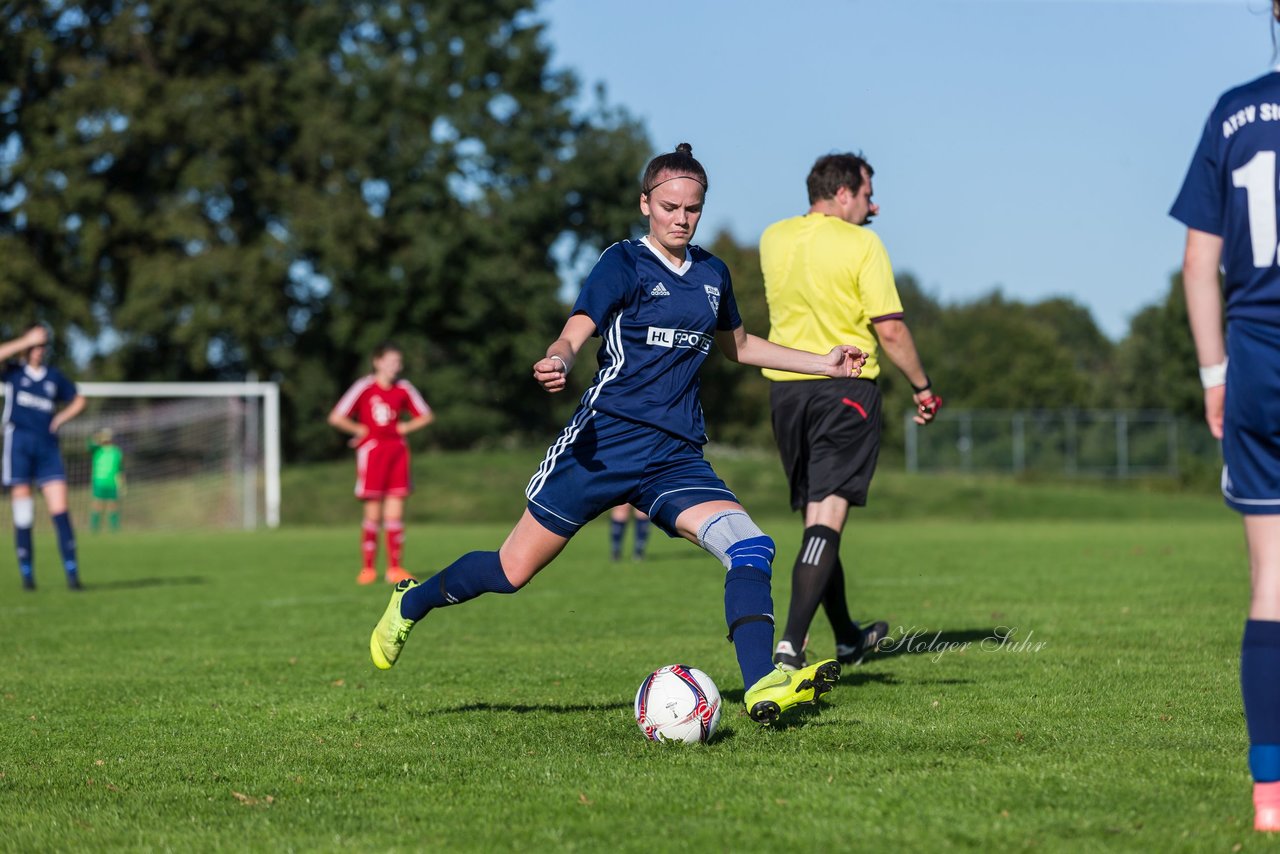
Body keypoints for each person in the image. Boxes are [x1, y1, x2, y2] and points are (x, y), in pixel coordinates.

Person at [368, 143, 868, 725]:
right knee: (510, 572)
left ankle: (761, 686)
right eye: (670, 206)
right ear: (645, 204)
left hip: (674, 457)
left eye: (693, 208)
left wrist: (824, 363)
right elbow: (579, 325)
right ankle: (414, 599)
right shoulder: (623, 263)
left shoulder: (712, 274)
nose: (681, 218)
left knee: (751, 547)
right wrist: (559, 355)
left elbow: (740, 346)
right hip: (602, 446)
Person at [759, 152, 942, 672]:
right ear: (843, 194)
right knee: (826, 521)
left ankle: (847, 638)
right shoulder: (862, 242)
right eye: (867, 194)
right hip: (846, 388)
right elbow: (889, 329)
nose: (873, 205)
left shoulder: (773, 238)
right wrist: (923, 387)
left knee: (816, 520)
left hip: (787, 393)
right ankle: (790, 647)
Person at [1171, 8, 1280, 831]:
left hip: (1256, 363)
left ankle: (1270, 796)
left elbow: (1198, 262)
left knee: (1270, 580)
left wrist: (1215, 373)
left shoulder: (1235, 111)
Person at [329, 343, 434, 585]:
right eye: (390, 361)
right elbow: (336, 417)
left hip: (397, 453)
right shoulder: (364, 387)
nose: (395, 366)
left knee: (395, 514)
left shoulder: (404, 388)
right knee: (373, 514)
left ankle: (394, 568)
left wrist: (405, 427)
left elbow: (426, 415)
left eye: (398, 362)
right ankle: (368, 569)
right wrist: (360, 430)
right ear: (377, 361)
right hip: (372, 453)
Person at [1, 326, 86, 590]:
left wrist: (60, 418)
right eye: (34, 345)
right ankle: (27, 576)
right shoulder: (13, 373)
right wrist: (25, 339)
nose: (38, 350)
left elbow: (78, 399)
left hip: (48, 448)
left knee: (60, 511)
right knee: (23, 515)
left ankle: (72, 575)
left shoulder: (53, 377)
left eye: (41, 346)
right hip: (19, 446)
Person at [88, 428, 125, 532]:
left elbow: (120, 469)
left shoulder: (116, 452)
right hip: (99, 482)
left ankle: (114, 530)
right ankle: (94, 529)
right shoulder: (97, 450)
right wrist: (96, 436)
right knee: (97, 505)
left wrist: (122, 483)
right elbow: (89, 444)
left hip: (112, 483)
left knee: (113, 506)